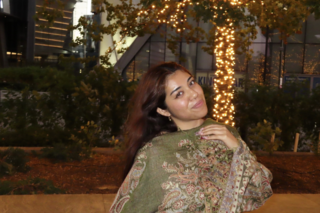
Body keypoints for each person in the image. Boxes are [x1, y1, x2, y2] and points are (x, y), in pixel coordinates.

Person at [110, 62, 273, 213]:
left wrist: (236, 148)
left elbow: (260, 188)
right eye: (179, 94)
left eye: (191, 83)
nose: (194, 94)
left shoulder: (226, 134)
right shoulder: (156, 153)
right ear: (163, 110)